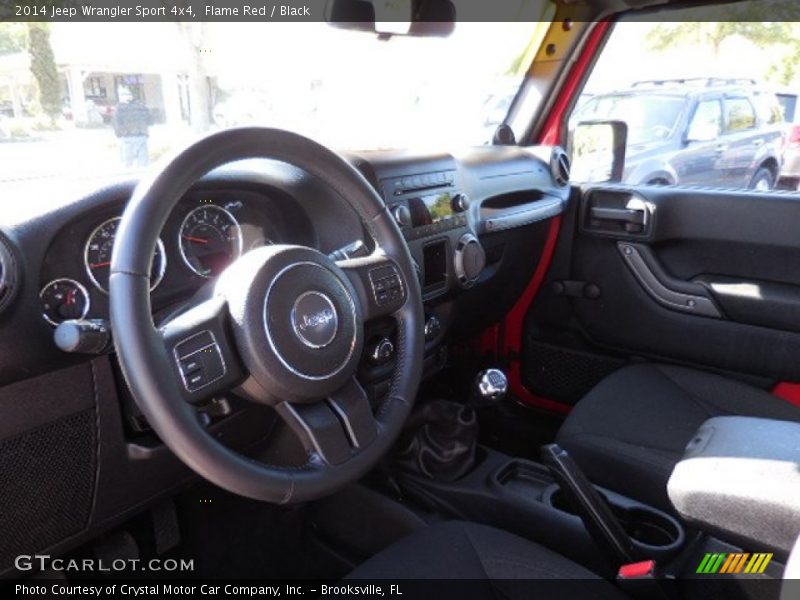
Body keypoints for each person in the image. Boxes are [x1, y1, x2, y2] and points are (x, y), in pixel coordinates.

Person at [111, 88, 151, 168]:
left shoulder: (119, 108)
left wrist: (120, 134)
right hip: (142, 135)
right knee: (143, 163)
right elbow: (150, 119)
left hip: (127, 137)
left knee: (128, 163)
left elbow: (116, 123)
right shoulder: (140, 106)